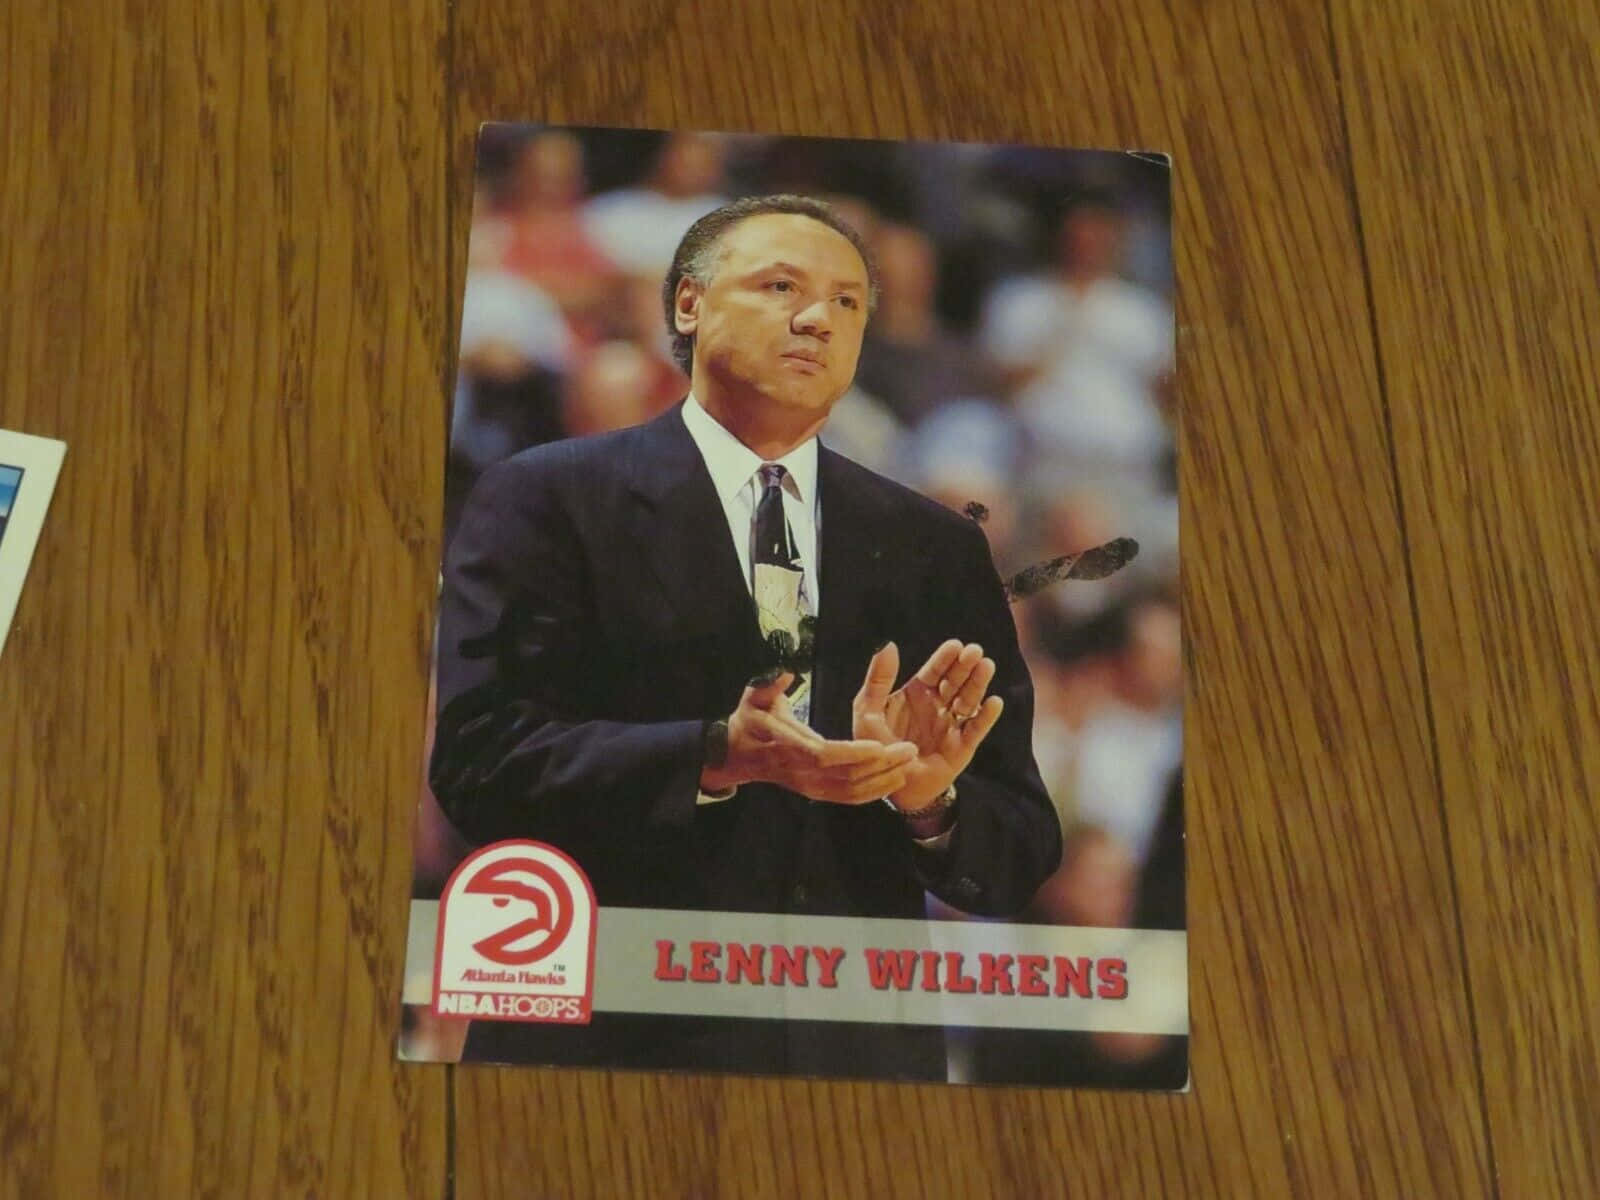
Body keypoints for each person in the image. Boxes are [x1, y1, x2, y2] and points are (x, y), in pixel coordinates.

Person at [430, 194, 1061, 1079]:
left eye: (848, 302)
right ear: (689, 303)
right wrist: (714, 756)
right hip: (611, 1044)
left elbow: (1018, 853)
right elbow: (479, 764)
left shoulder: (934, 547)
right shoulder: (548, 497)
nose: (817, 319)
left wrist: (928, 802)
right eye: (781, 286)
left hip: (854, 1065)